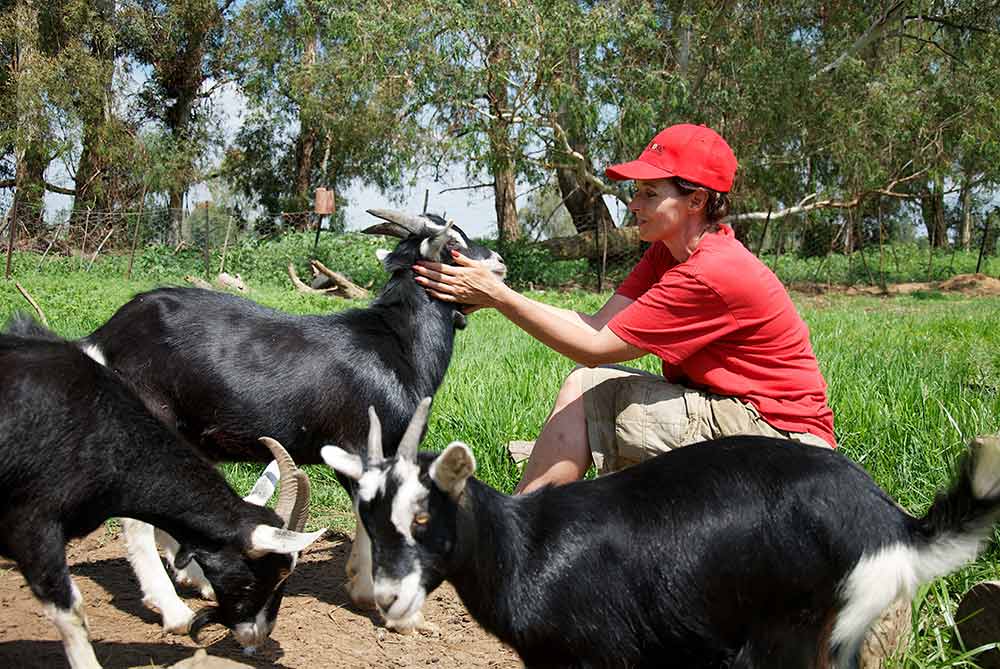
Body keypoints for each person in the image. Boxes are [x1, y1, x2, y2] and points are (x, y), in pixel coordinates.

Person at [412, 123, 835, 495]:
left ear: (697, 201)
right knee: (587, 384)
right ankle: (521, 525)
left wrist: (500, 297)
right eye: (636, 192)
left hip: (784, 444)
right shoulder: (666, 253)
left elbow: (594, 346)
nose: (633, 205)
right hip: (736, 414)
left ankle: (513, 533)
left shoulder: (711, 271)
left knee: (590, 394)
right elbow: (598, 324)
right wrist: (499, 295)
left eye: (650, 194)